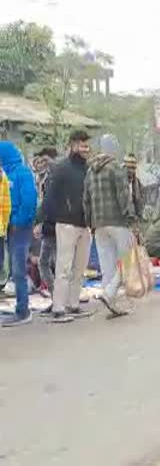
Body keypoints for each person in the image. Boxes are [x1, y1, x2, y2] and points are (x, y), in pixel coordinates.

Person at [83, 134, 137, 318]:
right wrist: (130, 218)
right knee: (128, 261)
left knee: (107, 266)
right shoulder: (115, 168)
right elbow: (124, 196)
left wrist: (90, 222)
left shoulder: (91, 171)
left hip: (98, 224)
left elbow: (86, 200)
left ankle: (111, 303)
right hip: (118, 222)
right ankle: (109, 294)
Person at [45, 130, 92, 324]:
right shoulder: (61, 168)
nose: (85, 148)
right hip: (66, 223)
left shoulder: (88, 169)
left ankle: (73, 303)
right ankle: (58, 308)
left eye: (87, 145)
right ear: (73, 145)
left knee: (80, 268)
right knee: (63, 267)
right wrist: (48, 220)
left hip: (85, 224)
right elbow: (50, 197)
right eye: (82, 145)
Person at [0, 142, 38, 327]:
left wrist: (17, 221)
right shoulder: (4, 173)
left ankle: (23, 311)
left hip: (20, 227)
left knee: (18, 269)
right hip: (7, 226)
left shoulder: (22, 173)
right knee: (11, 269)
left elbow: (30, 201)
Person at [33, 148, 58, 299]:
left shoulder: (54, 178)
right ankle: (57, 296)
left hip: (55, 225)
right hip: (50, 226)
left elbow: (47, 203)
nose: (43, 164)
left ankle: (58, 297)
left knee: (51, 262)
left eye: (45, 161)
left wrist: (38, 221)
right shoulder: (46, 179)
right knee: (46, 262)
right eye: (40, 161)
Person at [124, 153, 145, 222]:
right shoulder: (119, 181)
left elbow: (140, 200)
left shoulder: (137, 183)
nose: (131, 170)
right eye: (129, 168)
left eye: (133, 168)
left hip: (135, 219)